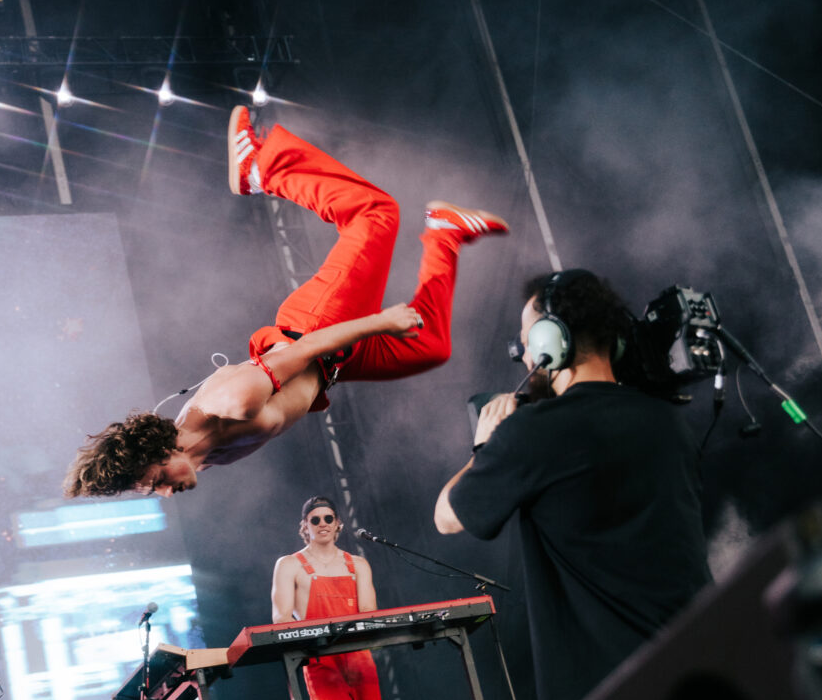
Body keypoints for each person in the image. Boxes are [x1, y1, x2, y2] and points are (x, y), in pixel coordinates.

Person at [64, 107, 508, 499]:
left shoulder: (230, 403)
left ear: (163, 450)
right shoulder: (205, 456)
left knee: (375, 213)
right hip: (335, 363)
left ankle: (262, 167)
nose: (165, 492)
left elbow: (302, 350)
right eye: (153, 490)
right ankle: (445, 231)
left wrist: (380, 322)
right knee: (431, 346)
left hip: (319, 328)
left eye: (157, 479)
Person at [434, 269, 712, 700]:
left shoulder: (534, 432)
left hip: (610, 695)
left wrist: (485, 446)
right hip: (700, 666)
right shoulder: (667, 421)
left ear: (549, 342)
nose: (522, 354)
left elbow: (448, 515)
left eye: (526, 340)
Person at [271, 496, 387, 700]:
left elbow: (368, 611)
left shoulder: (358, 564)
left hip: (360, 658)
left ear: (338, 524)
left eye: (328, 518)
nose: (322, 523)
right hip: (321, 660)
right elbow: (281, 617)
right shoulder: (289, 564)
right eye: (315, 519)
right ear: (305, 526)